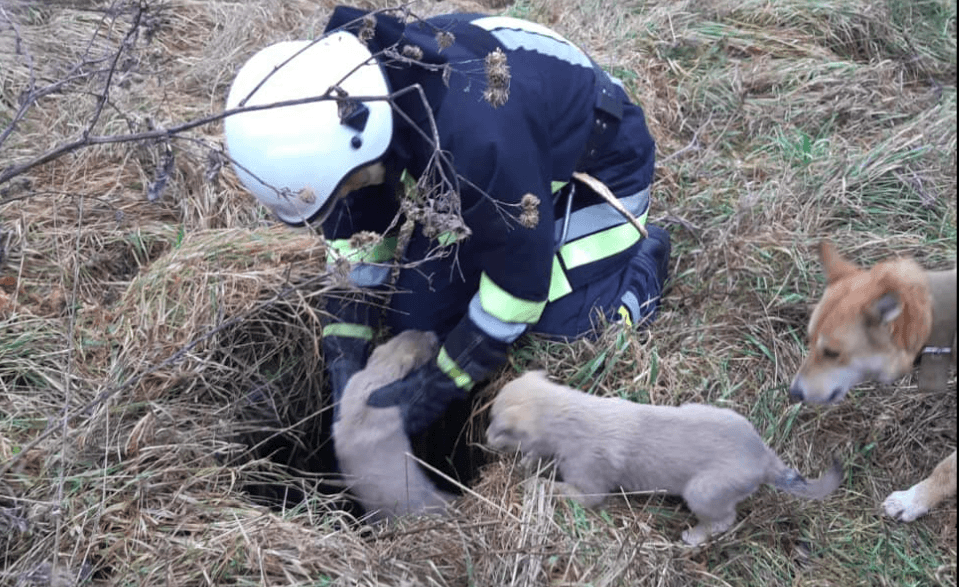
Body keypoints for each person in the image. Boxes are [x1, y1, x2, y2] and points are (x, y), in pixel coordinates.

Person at [224, 7, 670, 447]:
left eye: (345, 187)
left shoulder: (476, 140)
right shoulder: (353, 108)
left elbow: (519, 290)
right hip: (506, 173)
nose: (344, 196)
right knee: (416, 321)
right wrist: (344, 352)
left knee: (558, 327)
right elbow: (358, 238)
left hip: (596, 168)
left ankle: (640, 268)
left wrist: (437, 388)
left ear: (367, 146)